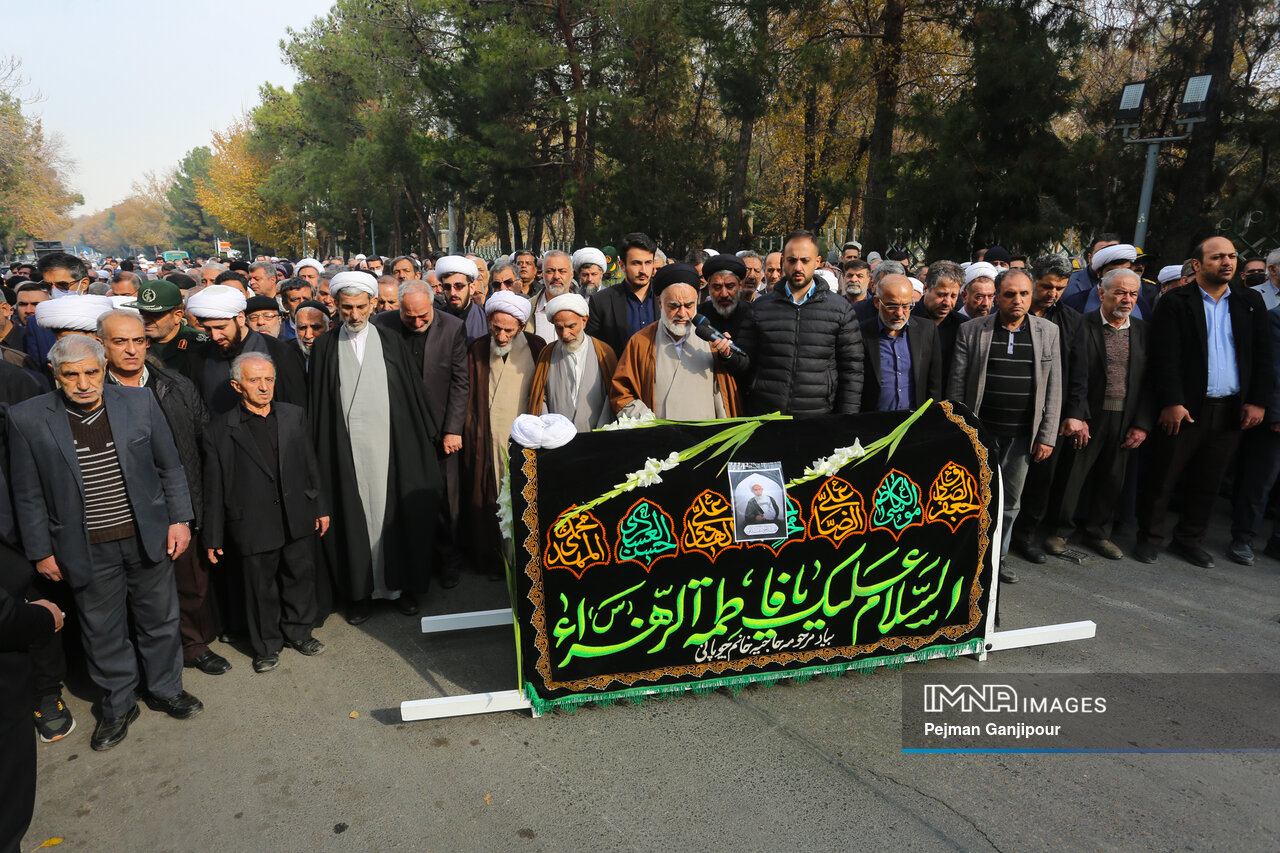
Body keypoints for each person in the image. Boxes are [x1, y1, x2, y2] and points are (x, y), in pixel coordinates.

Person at [9, 335, 202, 751]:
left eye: (91, 372)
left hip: (146, 536)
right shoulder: (27, 418)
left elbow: (170, 466)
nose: (83, 383)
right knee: (102, 630)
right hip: (84, 546)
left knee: (160, 619)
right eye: (71, 375)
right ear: (54, 374)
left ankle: (166, 688)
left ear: (104, 369)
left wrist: (179, 520)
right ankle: (118, 704)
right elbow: (27, 493)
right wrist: (41, 551)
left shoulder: (139, 402)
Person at [98, 309, 227, 676]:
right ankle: (145, 661)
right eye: (120, 342)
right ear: (101, 345)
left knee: (190, 583)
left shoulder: (177, 385)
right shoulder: (92, 392)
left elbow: (203, 444)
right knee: (136, 594)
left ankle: (194, 645)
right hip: (123, 511)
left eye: (138, 341)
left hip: (180, 503)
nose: (131, 350)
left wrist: (199, 506)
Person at [308, 271, 442, 623]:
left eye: (360, 307)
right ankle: (360, 594)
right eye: (346, 308)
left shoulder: (391, 341)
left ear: (373, 304)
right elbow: (319, 408)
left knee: (397, 515)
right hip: (345, 451)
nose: (354, 315)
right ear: (335, 305)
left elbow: (411, 397)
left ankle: (400, 589)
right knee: (351, 519)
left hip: (391, 447)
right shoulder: (324, 347)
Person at [1135, 236, 1272, 568]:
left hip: (1229, 408)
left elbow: (1263, 355)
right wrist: (1172, 401)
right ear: (1197, 264)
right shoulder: (1176, 301)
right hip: (1184, 409)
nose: (1227, 262)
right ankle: (1149, 538)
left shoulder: (1249, 301)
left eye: (1232, 256)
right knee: (1163, 476)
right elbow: (1164, 357)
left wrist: (1257, 401)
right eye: (1217, 257)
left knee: (1209, 480)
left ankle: (1189, 539)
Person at [203, 353, 329, 672]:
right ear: (237, 385)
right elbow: (214, 486)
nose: (264, 387)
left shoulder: (293, 415)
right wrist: (213, 535)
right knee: (259, 588)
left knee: (300, 577)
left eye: (269, 379)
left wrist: (319, 506)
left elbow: (310, 463)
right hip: (252, 522)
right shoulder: (219, 430)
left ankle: (300, 633)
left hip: (296, 513)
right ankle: (266, 646)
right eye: (254, 380)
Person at [947, 267, 1062, 581]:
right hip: (981, 434)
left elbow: (1054, 388)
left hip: (1023, 436)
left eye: (1024, 294)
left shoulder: (1048, 332)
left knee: (1010, 502)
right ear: (997, 297)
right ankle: (967, 559)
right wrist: (959, 431)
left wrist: (1047, 436)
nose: (1017, 300)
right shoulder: (972, 331)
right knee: (972, 498)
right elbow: (957, 386)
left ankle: (997, 560)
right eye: (1010, 294)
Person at [1044, 269, 1151, 560]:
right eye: (1120, 292)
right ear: (1101, 293)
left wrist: (1141, 424)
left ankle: (1098, 533)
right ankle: (1058, 531)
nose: (1127, 299)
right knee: (1072, 476)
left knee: (1113, 479)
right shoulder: (1081, 325)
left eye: (1132, 294)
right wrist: (1077, 415)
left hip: (1125, 417)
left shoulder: (1143, 331)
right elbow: (1070, 375)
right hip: (1088, 416)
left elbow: (1150, 382)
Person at [372, 281, 469, 586]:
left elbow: (460, 382)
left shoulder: (452, 327)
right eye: (409, 317)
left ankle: (449, 560)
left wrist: (453, 429)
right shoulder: (381, 324)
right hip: (399, 427)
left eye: (423, 316)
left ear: (432, 305)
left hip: (440, 430)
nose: (416, 323)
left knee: (445, 499)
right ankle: (415, 563)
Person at [1009, 254, 1088, 563]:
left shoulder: (1072, 320)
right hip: (1011, 410)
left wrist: (1075, 414)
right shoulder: (1011, 311)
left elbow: (1079, 372)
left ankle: (1025, 536)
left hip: (1050, 416)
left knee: (1040, 481)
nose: (1053, 293)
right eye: (1046, 286)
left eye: (1060, 288)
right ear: (1033, 280)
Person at [735, 230, 863, 416]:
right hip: (766, 416)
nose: (798, 267)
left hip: (818, 417)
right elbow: (745, 362)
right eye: (792, 260)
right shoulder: (760, 308)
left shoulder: (840, 310)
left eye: (805, 260)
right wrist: (728, 355)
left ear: (817, 262)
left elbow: (852, 371)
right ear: (783, 261)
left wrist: (845, 420)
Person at [461, 291, 545, 573]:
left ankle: (526, 560)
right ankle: (496, 560)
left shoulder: (536, 346)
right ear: (488, 320)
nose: (501, 335)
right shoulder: (477, 349)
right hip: (487, 438)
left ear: (521, 326)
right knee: (490, 498)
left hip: (527, 440)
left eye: (508, 330)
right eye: (496, 328)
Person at [611, 263, 744, 419]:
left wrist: (726, 356)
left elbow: (730, 389)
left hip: (706, 432)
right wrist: (646, 421)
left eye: (688, 305)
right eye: (674, 306)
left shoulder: (711, 339)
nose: (682, 313)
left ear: (697, 301)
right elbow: (622, 393)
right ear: (660, 303)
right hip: (660, 431)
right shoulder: (641, 342)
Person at [183, 285, 307, 414]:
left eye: (221, 328)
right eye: (208, 329)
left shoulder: (279, 352)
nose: (215, 336)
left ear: (240, 318)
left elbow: (295, 410)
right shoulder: (198, 357)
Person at [528, 293, 617, 430]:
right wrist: (549, 431)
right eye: (559, 328)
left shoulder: (604, 352)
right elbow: (540, 399)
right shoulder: (547, 354)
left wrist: (601, 433)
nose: (565, 334)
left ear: (584, 321)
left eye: (571, 326)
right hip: (556, 437)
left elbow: (612, 397)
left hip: (597, 436)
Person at [858, 273, 943, 412]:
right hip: (873, 419)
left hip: (916, 419)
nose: (899, 313)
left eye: (906, 306)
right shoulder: (861, 333)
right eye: (892, 306)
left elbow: (934, 383)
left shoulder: (927, 330)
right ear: (877, 302)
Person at [585, 232, 659, 358]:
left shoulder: (665, 297)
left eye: (648, 263)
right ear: (622, 265)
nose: (643, 270)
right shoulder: (601, 301)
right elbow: (592, 349)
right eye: (636, 263)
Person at [129, 280, 208, 373]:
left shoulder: (200, 344)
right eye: (142, 313)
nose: (146, 320)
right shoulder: (132, 341)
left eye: (155, 314)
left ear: (177, 316)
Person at [697, 254, 753, 339]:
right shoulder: (699, 314)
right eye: (717, 287)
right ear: (709, 288)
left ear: (740, 286)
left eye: (730, 286)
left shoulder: (754, 315)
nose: (724, 294)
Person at [435, 256, 488, 341]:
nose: (453, 293)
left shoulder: (486, 319)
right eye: (447, 287)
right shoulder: (435, 319)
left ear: (471, 288)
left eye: (458, 286)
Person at [526, 251, 575, 341]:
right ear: (542, 274)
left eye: (562, 271)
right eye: (550, 271)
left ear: (572, 274)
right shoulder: (527, 309)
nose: (556, 276)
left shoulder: (584, 310)